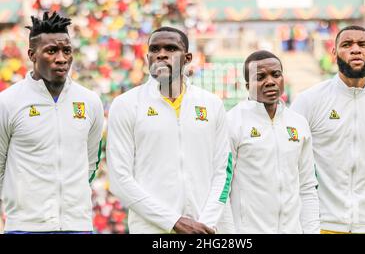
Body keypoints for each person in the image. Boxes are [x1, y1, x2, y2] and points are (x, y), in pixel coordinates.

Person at [106, 26, 232, 234]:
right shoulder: (126, 104)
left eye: (171, 49)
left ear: (188, 57)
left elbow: (223, 172)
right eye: (154, 49)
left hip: (205, 229)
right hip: (151, 230)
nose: (161, 54)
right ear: (147, 57)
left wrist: (204, 224)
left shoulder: (212, 104)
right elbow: (120, 180)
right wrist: (174, 221)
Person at [291, 25, 365, 234]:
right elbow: (292, 158)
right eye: (346, 44)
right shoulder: (309, 100)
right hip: (319, 224)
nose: (355, 49)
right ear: (334, 53)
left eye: (362, 44)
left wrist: (360, 191)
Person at [0, 12, 104, 234]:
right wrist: (20, 206)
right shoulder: (8, 102)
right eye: (51, 51)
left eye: (66, 51)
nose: (61, 58)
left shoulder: (90, 101)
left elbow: (91, 162)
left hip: (77, 226)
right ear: (32, 55)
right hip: (25, 227)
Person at [226, 50, 319, 233]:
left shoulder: (298, 124)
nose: (270, 81)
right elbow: (223, 189)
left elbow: (307, 187)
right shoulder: (232, 122)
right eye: (260, 77)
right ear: (247, 85)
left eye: (276, 75)